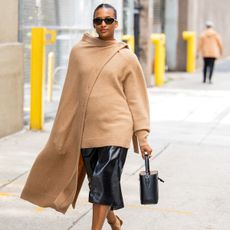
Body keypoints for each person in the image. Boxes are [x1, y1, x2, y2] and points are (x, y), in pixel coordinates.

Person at [21, 3, 152, 230]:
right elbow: (70, 96)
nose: (103, 24)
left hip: (116, 129)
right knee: (98, 184)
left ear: (116, 24)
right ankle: (113, 220)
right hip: (87, 131)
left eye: (108, 20)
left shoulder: (126, 56)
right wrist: (63, 132)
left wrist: (143, 137)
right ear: (93, 23)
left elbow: (137, 99)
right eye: (98, 20)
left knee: (102, 182)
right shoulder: (79, 52)